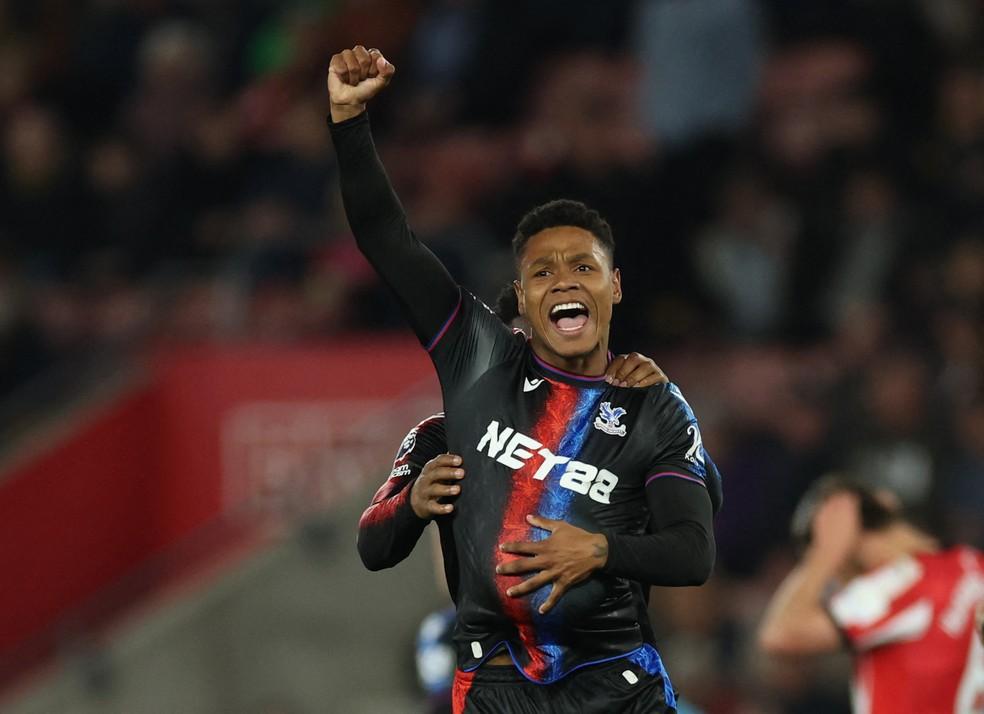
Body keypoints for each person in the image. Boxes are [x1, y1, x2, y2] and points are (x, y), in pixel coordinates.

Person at [329, 45, 720, 714]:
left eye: (583, 267)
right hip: (495, 683)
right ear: (521, 296)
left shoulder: (653, 405)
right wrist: (348, 123)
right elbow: (388, 238)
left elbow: (693, 553)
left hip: (615, 681)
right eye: (543, 272)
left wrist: (600, 550)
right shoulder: (477, 360)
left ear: (614, 287)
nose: (564, 281)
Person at [758, 476, 984, 714]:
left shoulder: (900, 583)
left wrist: (824, 554)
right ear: (886, 502)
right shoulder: (972, 563)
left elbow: (779, 634)